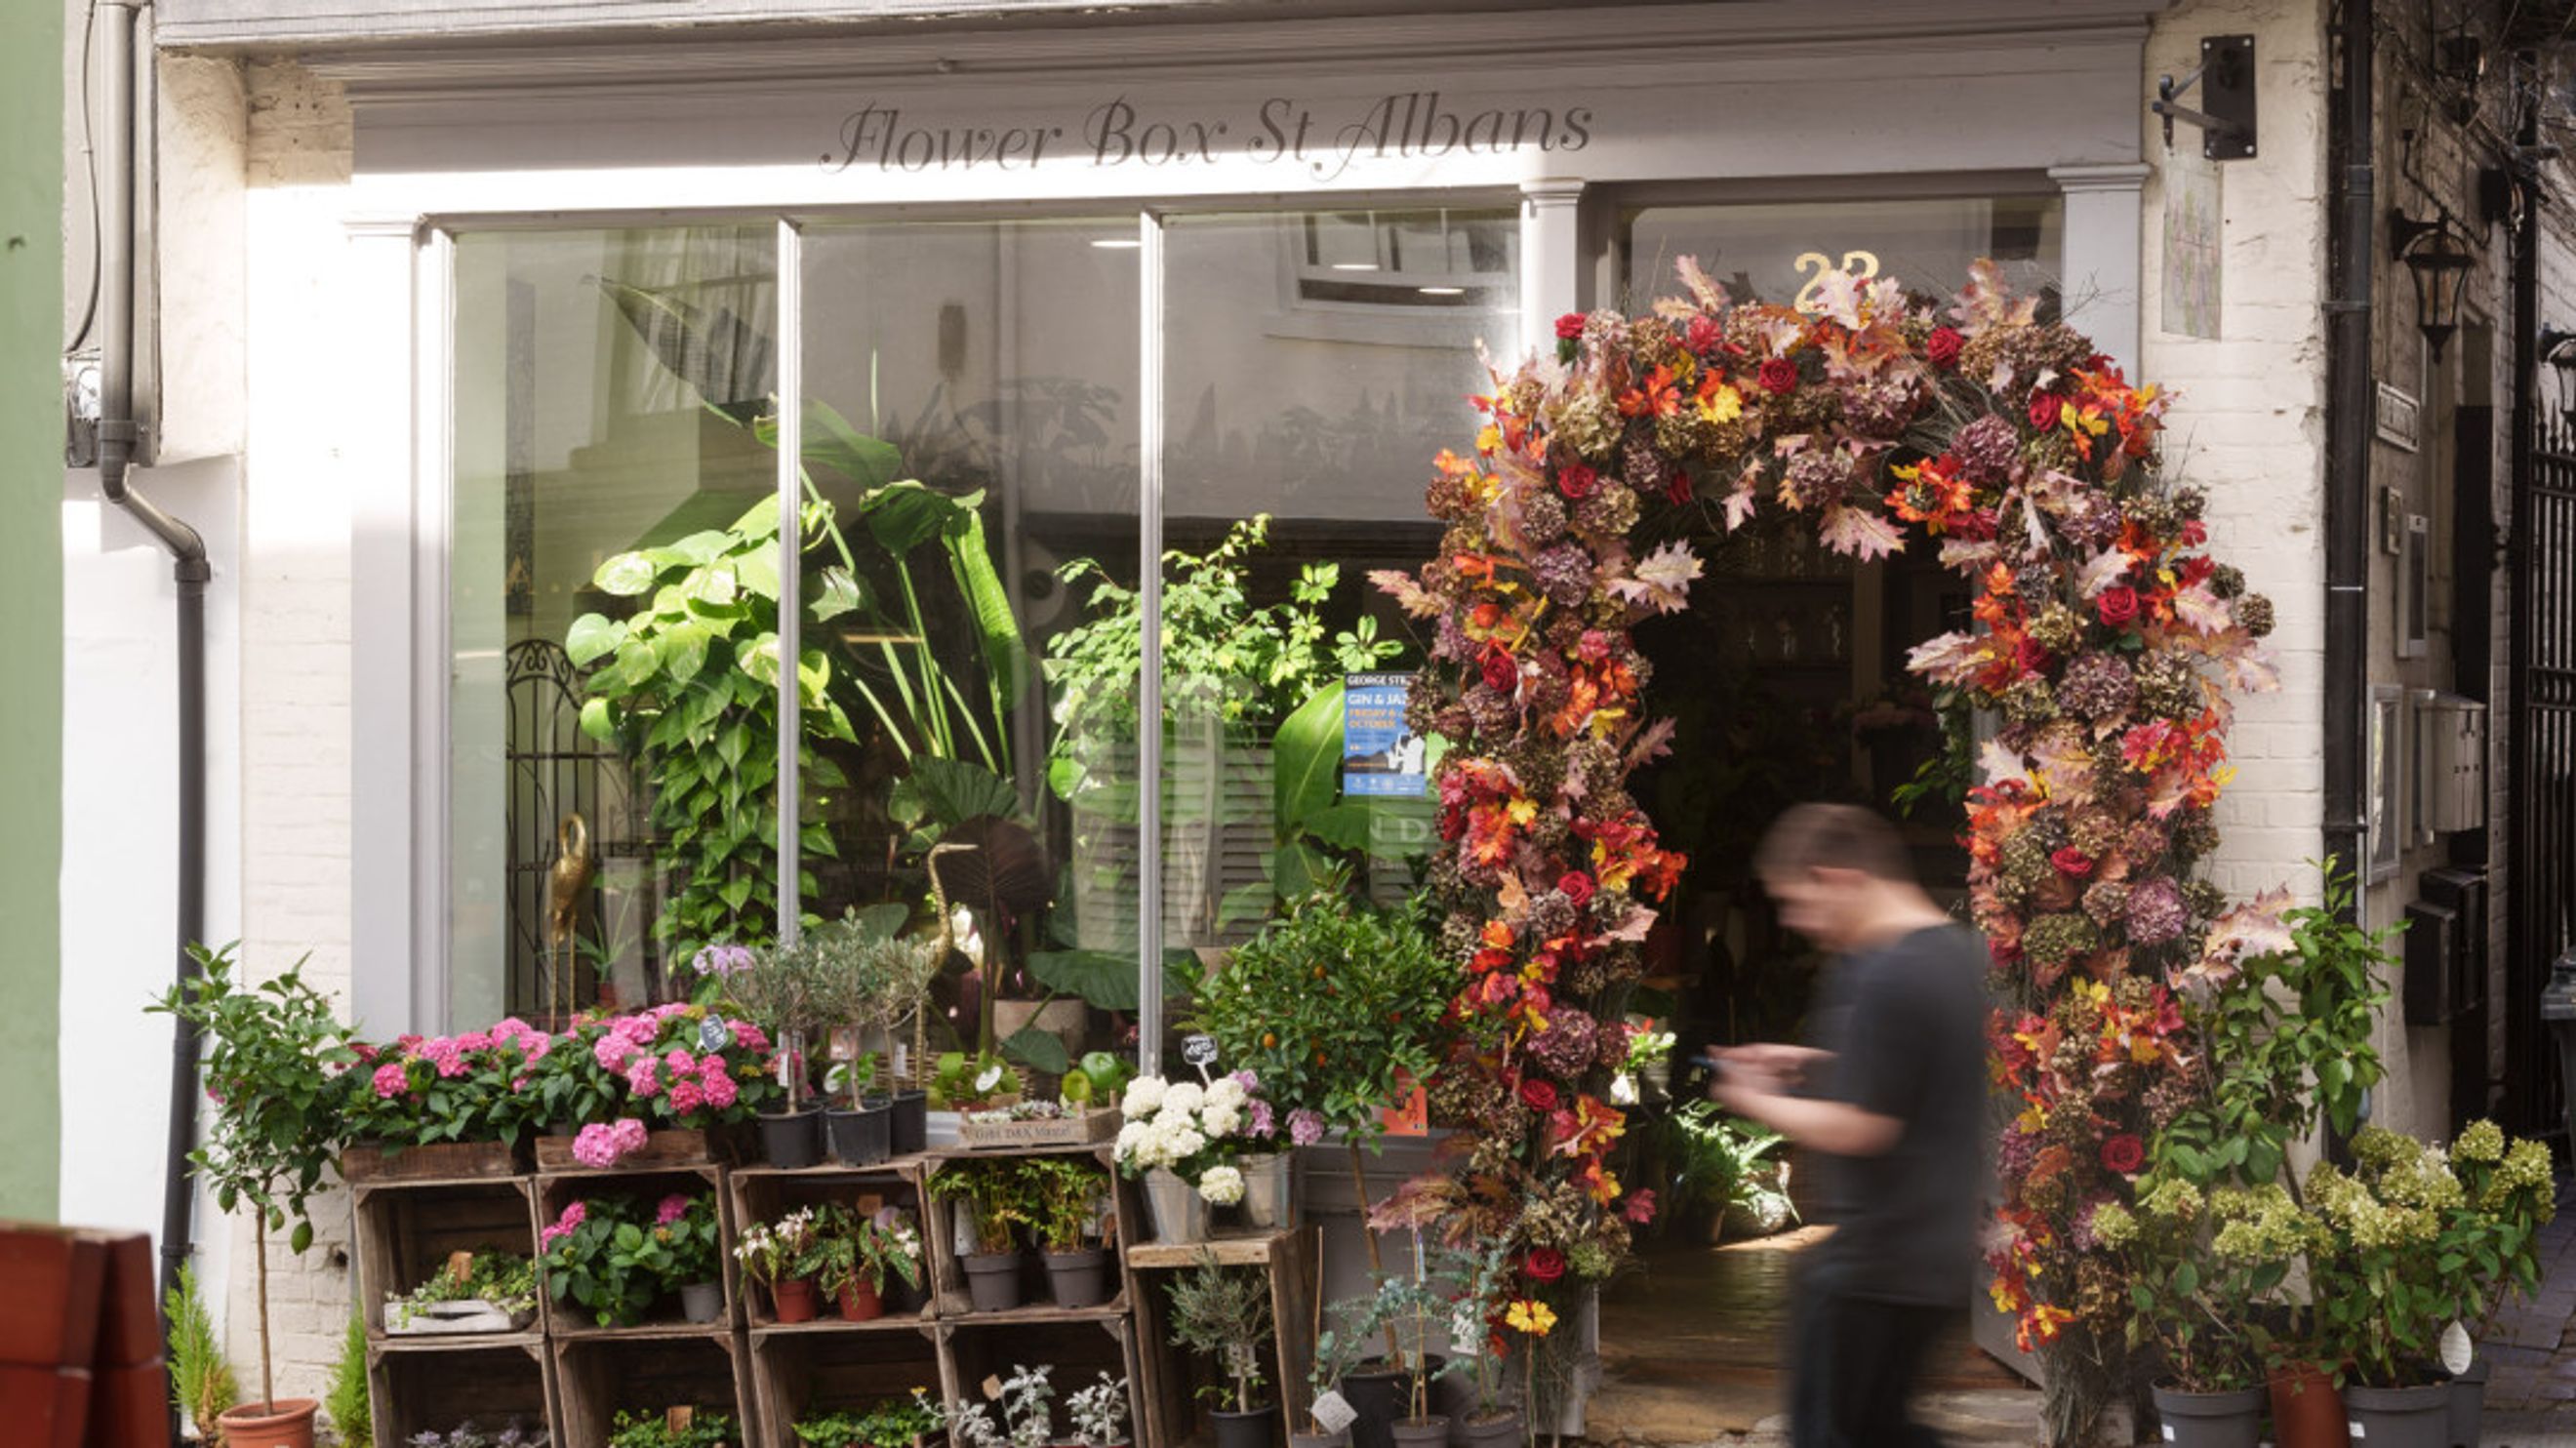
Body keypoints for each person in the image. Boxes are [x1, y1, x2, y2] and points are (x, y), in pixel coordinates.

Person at [1708, 802, 1990, 1448]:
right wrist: (1809, 1063)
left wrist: (1752, 1098)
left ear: (1835, 877)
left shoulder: (1891, 972)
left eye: (1794, 900)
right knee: (1885, 1433)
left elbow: (1864, 1127)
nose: (1793, 921)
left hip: (1872, 1270)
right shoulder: (1954, 953)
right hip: (1930, 1264)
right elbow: (1910, 1079)